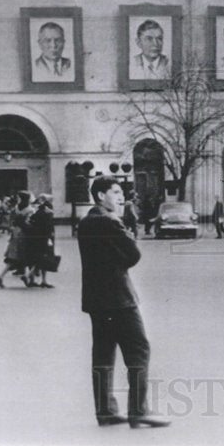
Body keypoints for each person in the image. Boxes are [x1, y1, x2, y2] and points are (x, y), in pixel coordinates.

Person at [77, 175, 169, 428]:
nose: (120, 197)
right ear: (100, 196)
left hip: (97, 300)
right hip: (120, 299)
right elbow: (133, 255)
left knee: (103, 355)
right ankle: (138, 411)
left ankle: (105, 410)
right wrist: (126, 228)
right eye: (115, 192)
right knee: (139, 350)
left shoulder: (86, 222)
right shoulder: (110, 222)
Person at [0, 191, 35, 288]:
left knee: (13, 258)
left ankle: (1, 275)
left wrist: (12, 228)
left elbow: (10, 222)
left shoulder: (15, 209)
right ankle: (28, 277)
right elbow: (30, 224)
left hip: (15, 234)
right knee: (29, 256)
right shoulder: (30, 210)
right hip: (25, 235)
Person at [30, 194, 57, 288]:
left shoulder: (36, 211)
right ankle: (41, 279)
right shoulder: (47, 212)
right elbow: (49, 226)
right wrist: (49, 238)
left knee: (38, 257)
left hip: (36, 237)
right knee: (44, 257)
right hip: (45, 238)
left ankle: (33, 277)